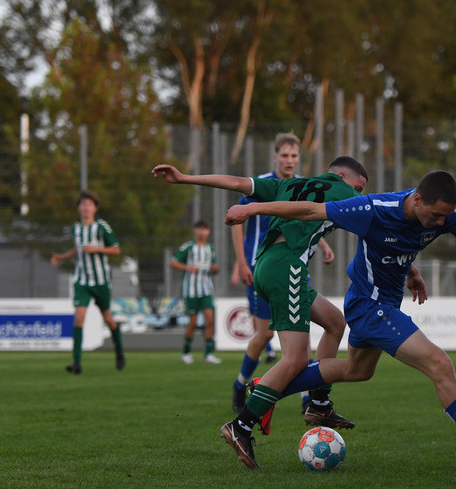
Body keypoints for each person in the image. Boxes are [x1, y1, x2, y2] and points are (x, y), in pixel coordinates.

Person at [223, 170, 456, 471]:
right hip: (369, 306)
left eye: (446, 217)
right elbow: (311, 209)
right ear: (417, 200)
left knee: (358, 371)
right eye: (436, 215)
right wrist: (253, 208)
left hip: (384, 303)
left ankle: (265, 390)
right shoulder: (371, 209)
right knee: (439, 364)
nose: (442, 223)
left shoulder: (445, 216)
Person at [153, 156, 369, 469]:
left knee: (335, 322)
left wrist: (185, 177)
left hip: (266, 265)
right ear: (341, 176)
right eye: (359, 187)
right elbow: (377, 215)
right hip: (287, 268)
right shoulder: (344, 193)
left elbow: (238, 182)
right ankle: (241, 425)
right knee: (294, 359)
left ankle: (319, 403)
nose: (359, 194)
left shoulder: (290, 184)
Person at [228, 133, 336, 412]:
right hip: (261, 269)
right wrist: (240, 262)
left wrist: (323, 244)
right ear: (275, 157)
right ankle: (241, 383)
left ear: (299, 158)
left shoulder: (302, 185)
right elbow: (238, 219)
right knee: (263, 335)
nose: (289, 160)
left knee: (302, 330)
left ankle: (306, 399)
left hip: (295, 267)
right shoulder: (264, 183)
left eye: (294, 156)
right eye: (285, 155)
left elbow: (307, 215)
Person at [50, 190, 125, 374]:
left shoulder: (101, 227)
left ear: (95, 208)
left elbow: (116, 250)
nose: (86, 207)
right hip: (82, 280)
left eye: (89, 204)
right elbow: (78, 249)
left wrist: (97, 249)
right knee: (79, 318)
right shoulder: (76, 228)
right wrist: (62, 257)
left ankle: (119, 350)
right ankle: (76, 363)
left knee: (108, 318)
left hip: (100, 281)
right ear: (79, 208)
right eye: (83, 204)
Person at [171, 219, 222, 365]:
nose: (202, 232)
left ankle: (208, 354)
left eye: (205, 229)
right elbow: (173, 262)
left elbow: (214, 267)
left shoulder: (210, 249)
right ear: (195, 231)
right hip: (191, 290)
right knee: (193, 323)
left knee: (210, 320)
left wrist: (215, 269)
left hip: (206, 288)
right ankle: (186, 352)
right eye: (200, 229)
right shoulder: (188, 247)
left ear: (208, 232)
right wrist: (188, 268)